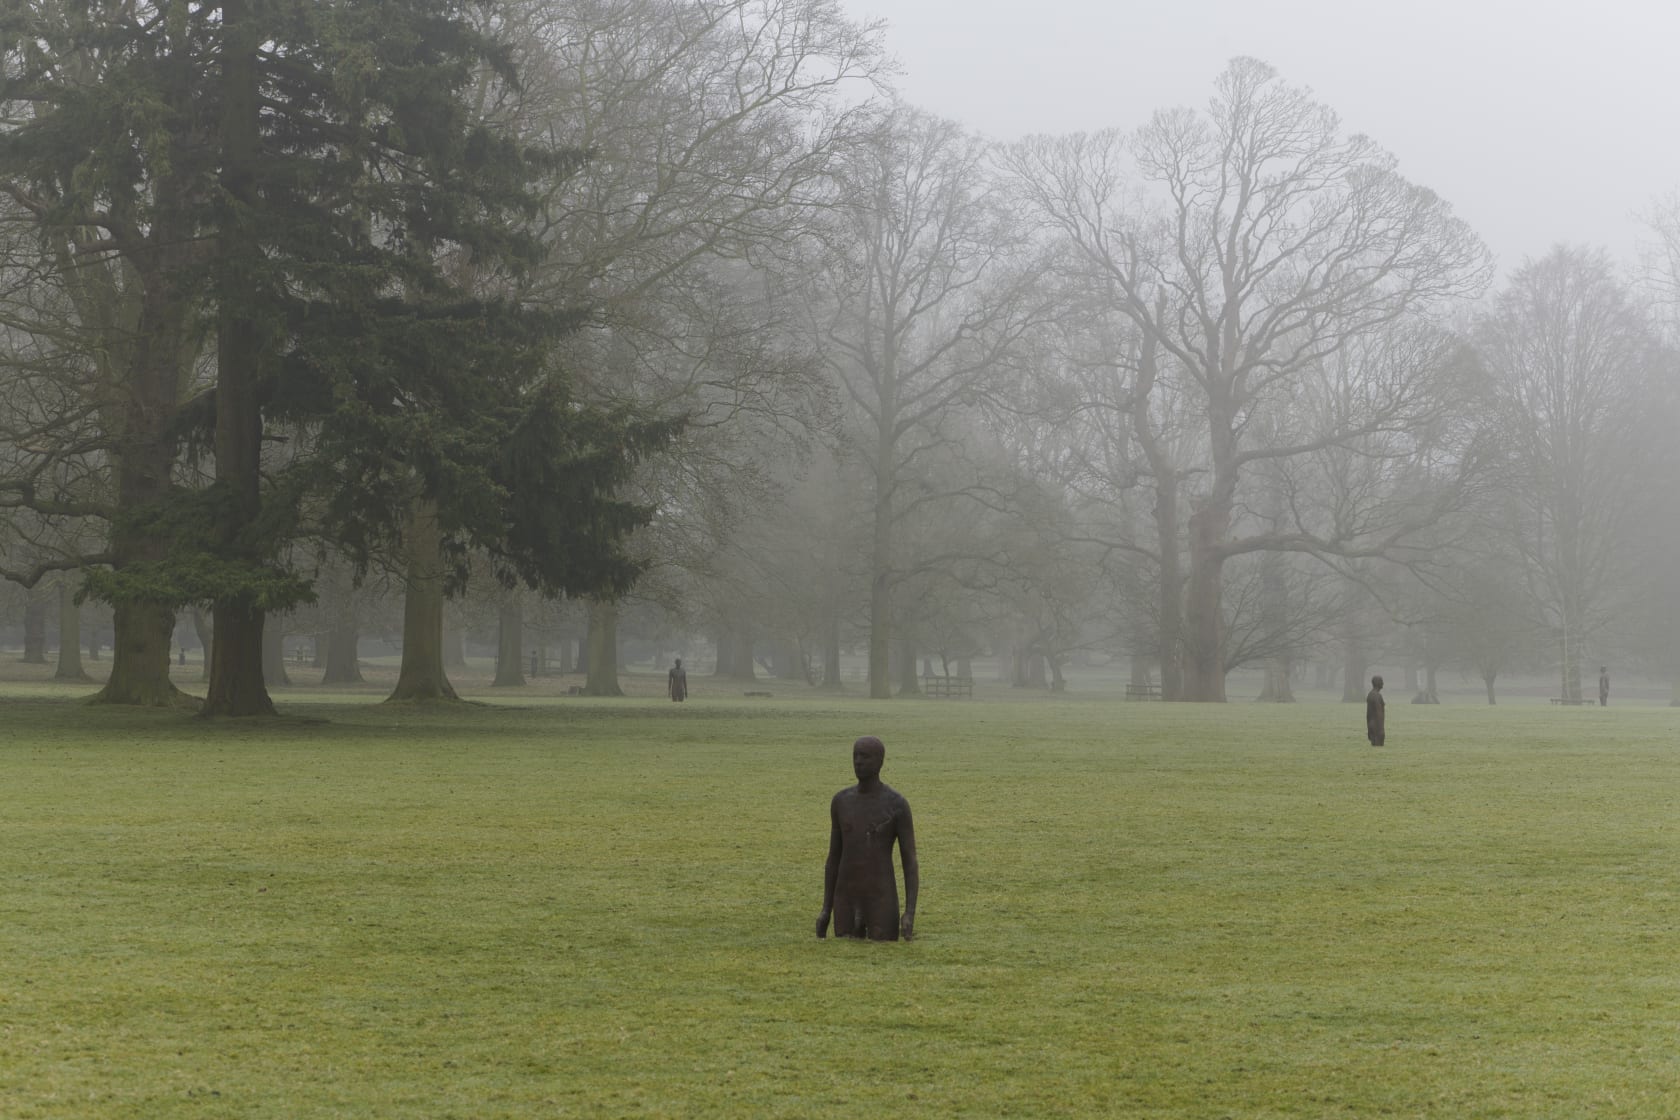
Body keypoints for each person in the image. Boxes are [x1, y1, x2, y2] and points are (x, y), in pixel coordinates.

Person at [816, 736, 918, 941]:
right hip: (845, 897)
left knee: (882, 955)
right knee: (843, 959)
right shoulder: (841, 802)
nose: (858, 762)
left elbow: (910, 862)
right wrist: (826, 909)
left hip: (881, 898)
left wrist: (909, 912)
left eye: (865, 756)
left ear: (880, 762)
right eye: (855, 756)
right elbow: (833, 859)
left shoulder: (896, 805)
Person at [1366, 674, 1386, 746]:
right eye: (1381, 681)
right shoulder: (1377, 696)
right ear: (1378, 683)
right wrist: (1381, 730)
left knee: (1374, 747)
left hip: (1371, 725)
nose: (1383, 683)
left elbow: (1368, 714)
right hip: (1377, 726)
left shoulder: (1370, 694)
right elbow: (1379, 713)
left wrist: (1368, 728)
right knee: (1378, 747)